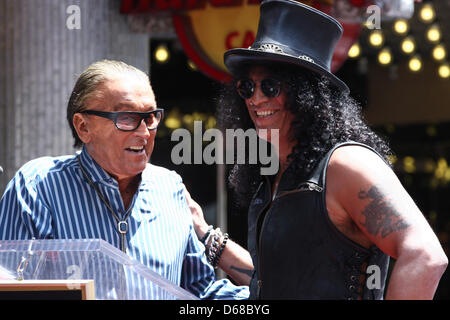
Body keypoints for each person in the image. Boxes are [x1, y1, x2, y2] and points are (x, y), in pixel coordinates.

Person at [190, 0, 448, 299]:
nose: (255, 99)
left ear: (306, 93)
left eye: (270, 86)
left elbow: (426, 257)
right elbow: (274, 282)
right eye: (247, 87)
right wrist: (206, 235)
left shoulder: (345, 164)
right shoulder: (276, 176)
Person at [0, 60, 249, 300]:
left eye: (150, 117)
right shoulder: (37, 187)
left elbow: (198, 293)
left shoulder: (169, 188)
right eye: (127, 118)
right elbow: (12, 287)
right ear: (83, 127)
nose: (144, 133)